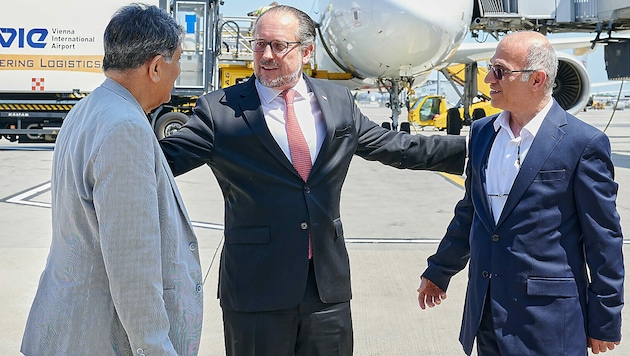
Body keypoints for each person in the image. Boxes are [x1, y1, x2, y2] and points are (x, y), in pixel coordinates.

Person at [160, 5, 466, 355]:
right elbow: (163, 160)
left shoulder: (337, 102)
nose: (266, 55)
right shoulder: (220, 110)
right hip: (256, 288)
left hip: (326, 289)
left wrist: (476, 150)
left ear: (307, 51)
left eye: (278, 46)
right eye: (259, 44)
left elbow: (396, 147)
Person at [417, 31, 624, 356]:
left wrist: (605, 319)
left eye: (499, 71)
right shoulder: (483, 133)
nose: (488, 79)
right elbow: (471, 213)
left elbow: (604, 240)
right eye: (490, 68)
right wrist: (439, 271)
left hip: (549, 322)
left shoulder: (582, 143)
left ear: (537, 80)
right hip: (486, 313)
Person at [21, 4, 203, 355]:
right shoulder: (125, 129)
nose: (178, 71)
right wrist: (155, 349)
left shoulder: (90, 108)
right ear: (154, 66)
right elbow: (132, 264)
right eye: (177, 60)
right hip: (101, 339)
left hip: (71, 327)